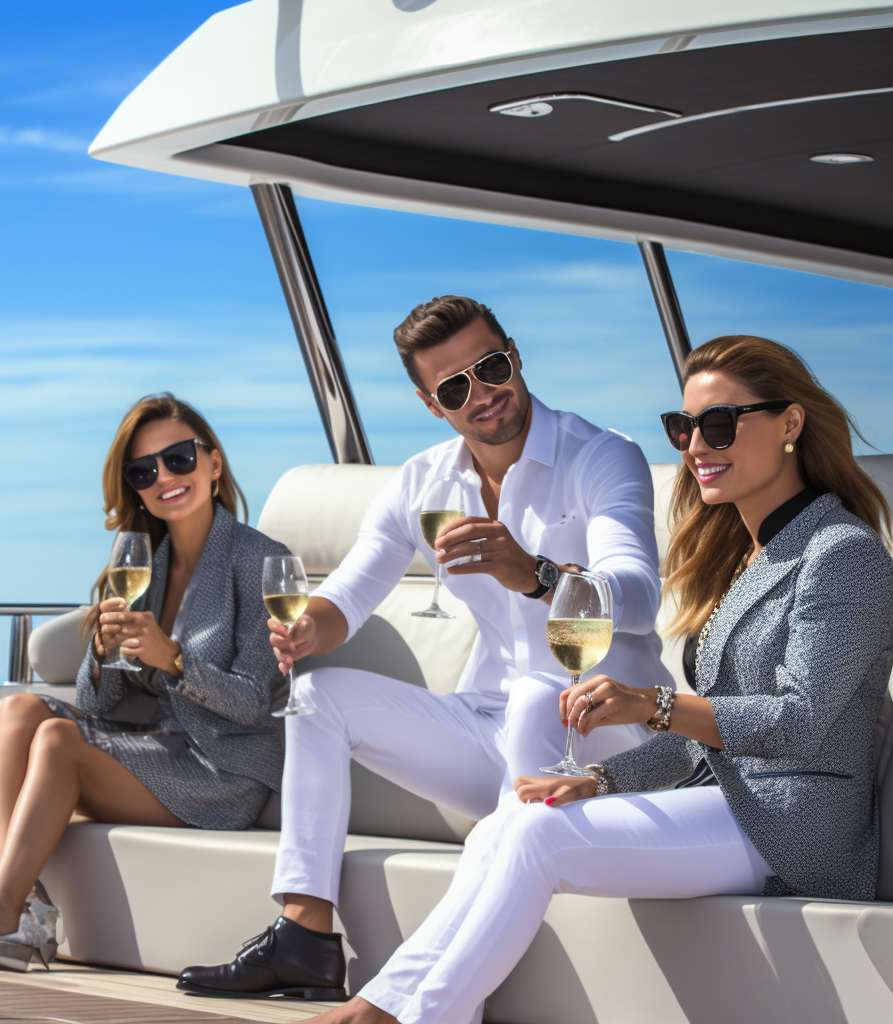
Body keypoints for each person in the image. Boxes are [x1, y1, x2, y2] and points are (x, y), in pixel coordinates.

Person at [299, 334, 893, 1024]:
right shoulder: (746, 558)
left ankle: (402, 1017)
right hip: (729, 802)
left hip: (793, 825)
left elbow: (797, 722)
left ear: (791, 424)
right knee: (516, 820)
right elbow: (714, 739)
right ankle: (390, 1006)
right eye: (684, 427)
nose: (697, 445)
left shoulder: (843, 553)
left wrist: (655, 703)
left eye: (721, 423)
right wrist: (604, 780)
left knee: (535, 839)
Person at [178, 296, 674, 999]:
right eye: (454, 387)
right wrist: (308, 627)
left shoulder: (600, 455)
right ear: (429, 401)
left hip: (602, 729)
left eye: (492, 366)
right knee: (317, 698)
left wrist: (536, 575)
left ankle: (432, 998)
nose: (483, 393)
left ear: (515, 353)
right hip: (491, 726)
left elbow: (639, 593)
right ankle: (305, 934)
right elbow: (348, 595)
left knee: (539, 695)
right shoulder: (422, 483)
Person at [0, 393, 289, 972]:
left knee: (58, 741)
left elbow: (251, 704)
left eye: (179, 459)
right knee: (20, 712)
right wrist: (101, 649)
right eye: (144, 471)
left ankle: (1, 913)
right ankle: (17, 907)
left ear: (214, 463)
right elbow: (99, 703)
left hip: (227, 773)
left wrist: (174, 661)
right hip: (165, 751)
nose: (164, 477)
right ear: (136, 488)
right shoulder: (141, 558)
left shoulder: (261, 558)